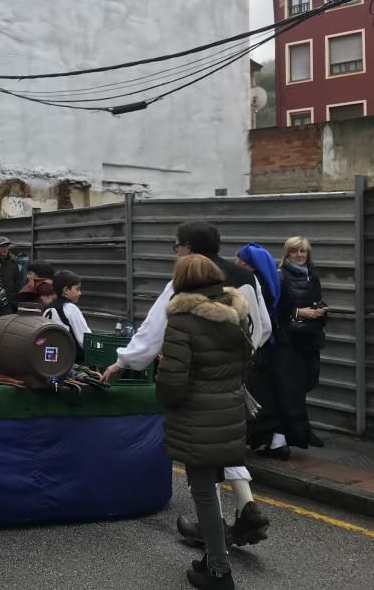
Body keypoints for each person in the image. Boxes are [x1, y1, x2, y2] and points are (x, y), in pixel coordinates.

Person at [101, 222, 271, 547]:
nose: (176, 252)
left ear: (189, 248)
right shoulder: (246, 277)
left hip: (196, 380)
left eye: (177, 245)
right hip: (236, 376)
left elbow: (153, 331)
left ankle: (213, 528)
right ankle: (247, 506)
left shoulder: (185, 282)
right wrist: (239, 359)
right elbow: (261, 325)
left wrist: (123, 362)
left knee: (200, 449)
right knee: (225, 440)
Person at [158, 254, 253, 590]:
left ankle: (219, 572)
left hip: (197, 416)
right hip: (228, 411)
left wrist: (163, 378)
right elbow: (246, 361)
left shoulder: (183, 319)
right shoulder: (236, 313)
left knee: (203, 492)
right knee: (211, 485)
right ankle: (212, 556)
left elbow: (172, 382)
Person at [236, 243, 311, 459]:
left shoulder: (252, 284)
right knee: (282, 396)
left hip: (265, 346)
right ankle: (278, 442)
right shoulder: (277, 281)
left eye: (239, 259)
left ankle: (271, 442)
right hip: (283, 346)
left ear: (245, 262)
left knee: (262, 397)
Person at [278, 236, 327, 447]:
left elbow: (315, 300)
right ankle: (300, 432)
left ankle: (298, 430)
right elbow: (276, 309)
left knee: (309, 382)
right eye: (294, 251)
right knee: (294, 388)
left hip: (311, 337)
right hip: (291, 339)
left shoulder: (312, 276)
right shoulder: (281, 277)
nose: (299, 255)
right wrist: (298, 312)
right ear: (286, 254)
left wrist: (320, 310)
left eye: (303, 252)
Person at [40, 270, 91, 361]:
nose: (80, 293)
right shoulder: (70, 308)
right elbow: (84, 338)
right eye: (77, 289)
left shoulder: (47, 308)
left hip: (50, 357)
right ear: (66, 290)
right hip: (70, 360)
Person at [0, 236, 22, 311]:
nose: (5, 248)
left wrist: (19, 297)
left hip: (11, 299)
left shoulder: (13, 261)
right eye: (2, 246)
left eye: (7, 246)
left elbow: (17, 280)